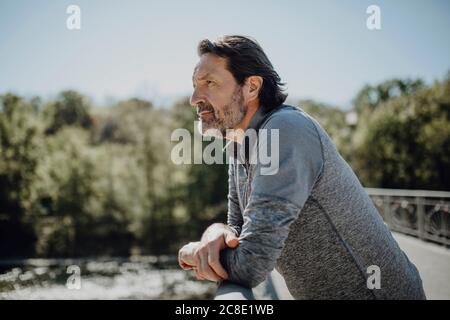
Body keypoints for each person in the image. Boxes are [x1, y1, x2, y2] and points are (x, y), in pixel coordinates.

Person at [178, 35, 426, 299]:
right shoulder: (237, 146)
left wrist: (193, 252)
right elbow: (238, 231)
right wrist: (215, 232)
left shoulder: (286, 130)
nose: (195, 97)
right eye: (195, 85)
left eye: (209, 83)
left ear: (251, 87)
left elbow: (252, 262)